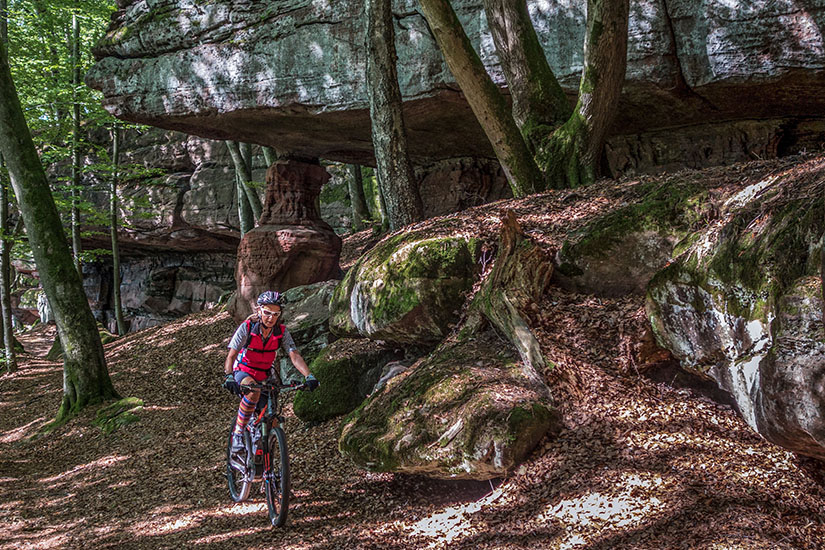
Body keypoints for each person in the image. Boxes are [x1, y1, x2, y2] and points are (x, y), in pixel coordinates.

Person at [222, 290, 319, 456]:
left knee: (272, 418)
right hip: (243, 371)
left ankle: (268, 470)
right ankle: (238, 434)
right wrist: (229, 376)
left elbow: (294, 355)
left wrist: (309, 375)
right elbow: (231, 355)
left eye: (275, 314)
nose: (271, 318)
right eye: (267, 313)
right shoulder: (247, 328)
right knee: (253, 392)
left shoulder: (281, 331)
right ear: (259, 310)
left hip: (266, 374)